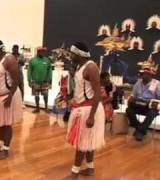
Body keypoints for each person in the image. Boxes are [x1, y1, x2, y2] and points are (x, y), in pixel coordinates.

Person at [66, 42, 105, 177]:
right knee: (87, 140)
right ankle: (90, 168)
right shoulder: (80, 67)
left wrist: (91, 116)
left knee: (82, 142)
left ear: (78, 54)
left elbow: (97, 93)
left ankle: (75, 171)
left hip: (89, 110)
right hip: (82, 108)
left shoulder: (91, 67)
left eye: (72, 53)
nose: (70, 56)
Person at [0, 39, 23, 160]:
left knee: (6, 124)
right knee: (0, 123)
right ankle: (1, 146)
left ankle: (6, 150)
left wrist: (10, 97)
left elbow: (17, 79)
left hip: (7, 96)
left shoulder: (9, 59)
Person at [126, 63, 160, 141]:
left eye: (145, 74)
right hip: (138, 104)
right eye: (142, 74)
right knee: (128, 110)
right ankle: (140, 129)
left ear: (150, 75)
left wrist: (153, 103)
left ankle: (140, 132)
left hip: (149, 106)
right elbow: (132, 95)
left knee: (152, 113)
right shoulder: (138, 83)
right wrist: (130, 99)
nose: (143, 75)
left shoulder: (157, 84)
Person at [27, 47, 52, 113]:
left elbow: (50, 70)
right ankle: (37, 108)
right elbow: (29, 71)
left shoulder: (47, 60)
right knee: (36, 95)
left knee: (46, 95)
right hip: (35, 82)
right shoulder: (32, 60)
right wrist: (29, 80)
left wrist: (50, 79)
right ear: (37, 52)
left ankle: (46, 107)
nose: (42, 52)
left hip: (45, 82)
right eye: (41, 51)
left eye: (43, 51)